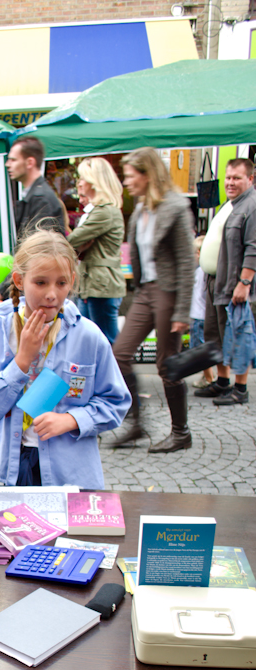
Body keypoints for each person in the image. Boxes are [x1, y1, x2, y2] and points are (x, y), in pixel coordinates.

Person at [0, 230, 129, 670]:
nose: (52, 293)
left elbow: (116, 402)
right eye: (41, 281)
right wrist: (22, 361)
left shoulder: (87, 336)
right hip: (16, 469)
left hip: (70, 475)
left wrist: (73, 421)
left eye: (62, 282)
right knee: (19, 570)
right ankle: (26, 654)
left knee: (69, 575)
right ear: (18, 281)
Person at [107, 148, 195, 453]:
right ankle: (136, 424)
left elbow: (186, 262)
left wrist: (183, 310)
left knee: (167, 365)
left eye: (131, 176)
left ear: (148, 174)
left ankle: (181, 433)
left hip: (169, 293)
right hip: (145, 292)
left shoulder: (175, 206)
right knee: (119, 353)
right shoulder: (142, 208)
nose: (127, 182)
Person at [195, 157, 256, 407]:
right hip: (216, 282)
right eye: (228, 178)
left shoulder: (251, 205)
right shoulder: (230, 204)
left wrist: (244, 282)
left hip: (234, 285)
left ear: (250, 179)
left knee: (238, 334)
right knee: (215, 335)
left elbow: (253, 247)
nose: (230, 182)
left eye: (236, 178)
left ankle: (240, 388)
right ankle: (222, 382)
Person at [0, 137, 65, 312]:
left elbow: (34, 254)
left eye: (13, 159)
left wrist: (1, 291)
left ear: (30, 162)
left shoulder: (41, 199)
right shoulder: (35, 197)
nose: (7, 164)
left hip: (43, 296)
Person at [67, 157, 126, 345]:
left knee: (105, 342)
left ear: (95, 181)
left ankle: (121, 375)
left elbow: (72, 241)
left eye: (83, 177)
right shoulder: (101, 211)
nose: (79, 183)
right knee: (90, 339)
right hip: (95, 284)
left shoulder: (104, 212)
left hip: (101, 285)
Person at [189, 235, 214, 389]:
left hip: (199, 315)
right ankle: (209, 375)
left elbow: (197, 296)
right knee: (204, 348)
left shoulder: (200, 272)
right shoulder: (206, 272)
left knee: (201, 351)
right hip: (203, 315)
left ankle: (209, 378)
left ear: (198, 253)